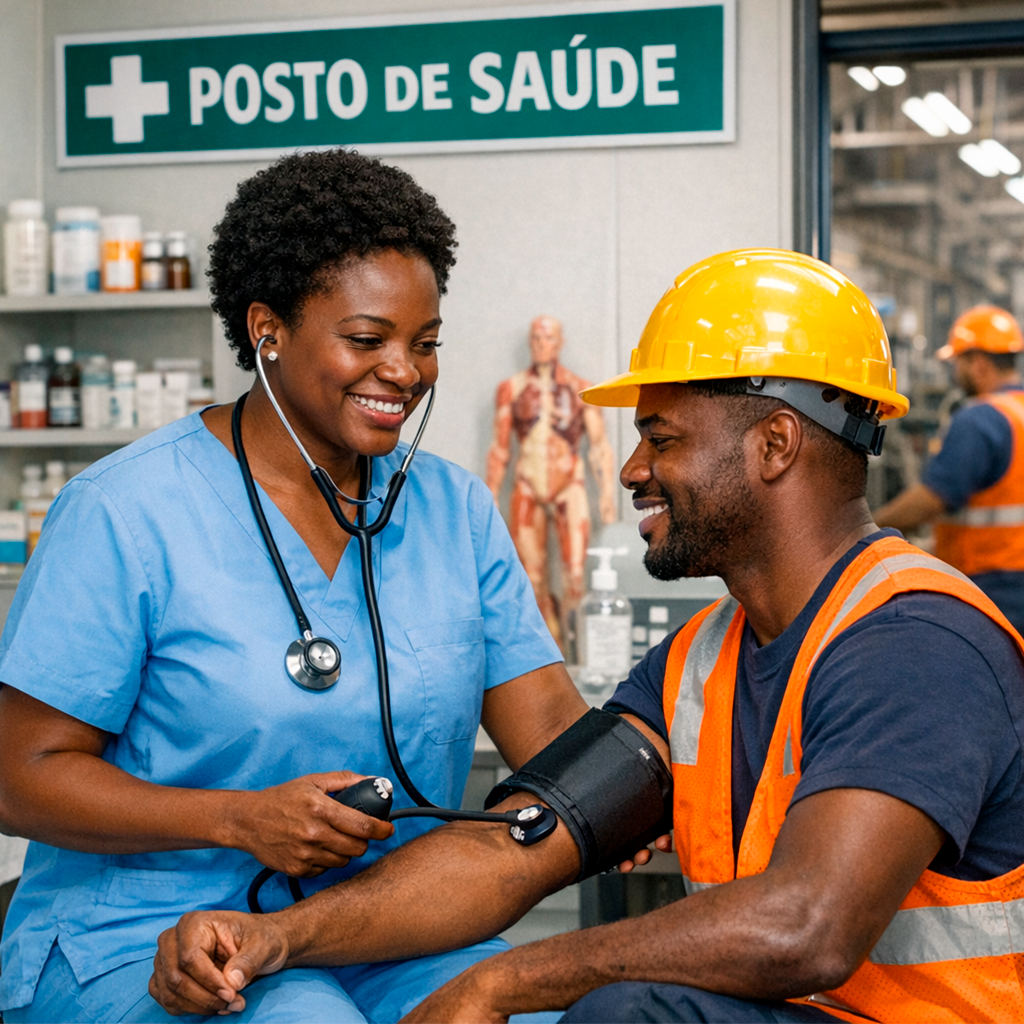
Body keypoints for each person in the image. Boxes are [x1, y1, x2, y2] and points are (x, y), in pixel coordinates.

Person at [149, 250, 1024, 1023]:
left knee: (626, 1013)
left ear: (776, 443)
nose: (633, 470)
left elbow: (807, 928)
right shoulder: (699, 661)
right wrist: (276, 937)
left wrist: (505, 982)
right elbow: (510, 851)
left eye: (661, 437)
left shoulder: (914, 642)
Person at [0, 150, 587, 1023]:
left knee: (549, 1013)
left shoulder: (453, 511)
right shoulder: (125, 512)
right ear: (266, 328)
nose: (406, 372)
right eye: (367, 339)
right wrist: (236, 820)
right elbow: (19, 776)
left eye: (425, 345)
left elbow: (558, 746)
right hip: (147, 935)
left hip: (386, 931)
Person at [875, 305, 1024, 631]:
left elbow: (931, 499)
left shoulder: (981, 419)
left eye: (959, 363)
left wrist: (870, 528)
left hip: (992, 588)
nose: (955, 373)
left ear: (979, 363)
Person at [486, 316, 617, 645]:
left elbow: (599, 445)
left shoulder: (580, 388)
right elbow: (500, 449)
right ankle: (549, 654)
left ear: (559, 343)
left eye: (548, 339)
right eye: (536, 338)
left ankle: (580, 652)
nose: (541, 345)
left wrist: (606, 494)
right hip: (528, 485)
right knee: (531, 578)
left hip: (569, 485)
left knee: (575, 574)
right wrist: (488, 497)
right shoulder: (512, 389)